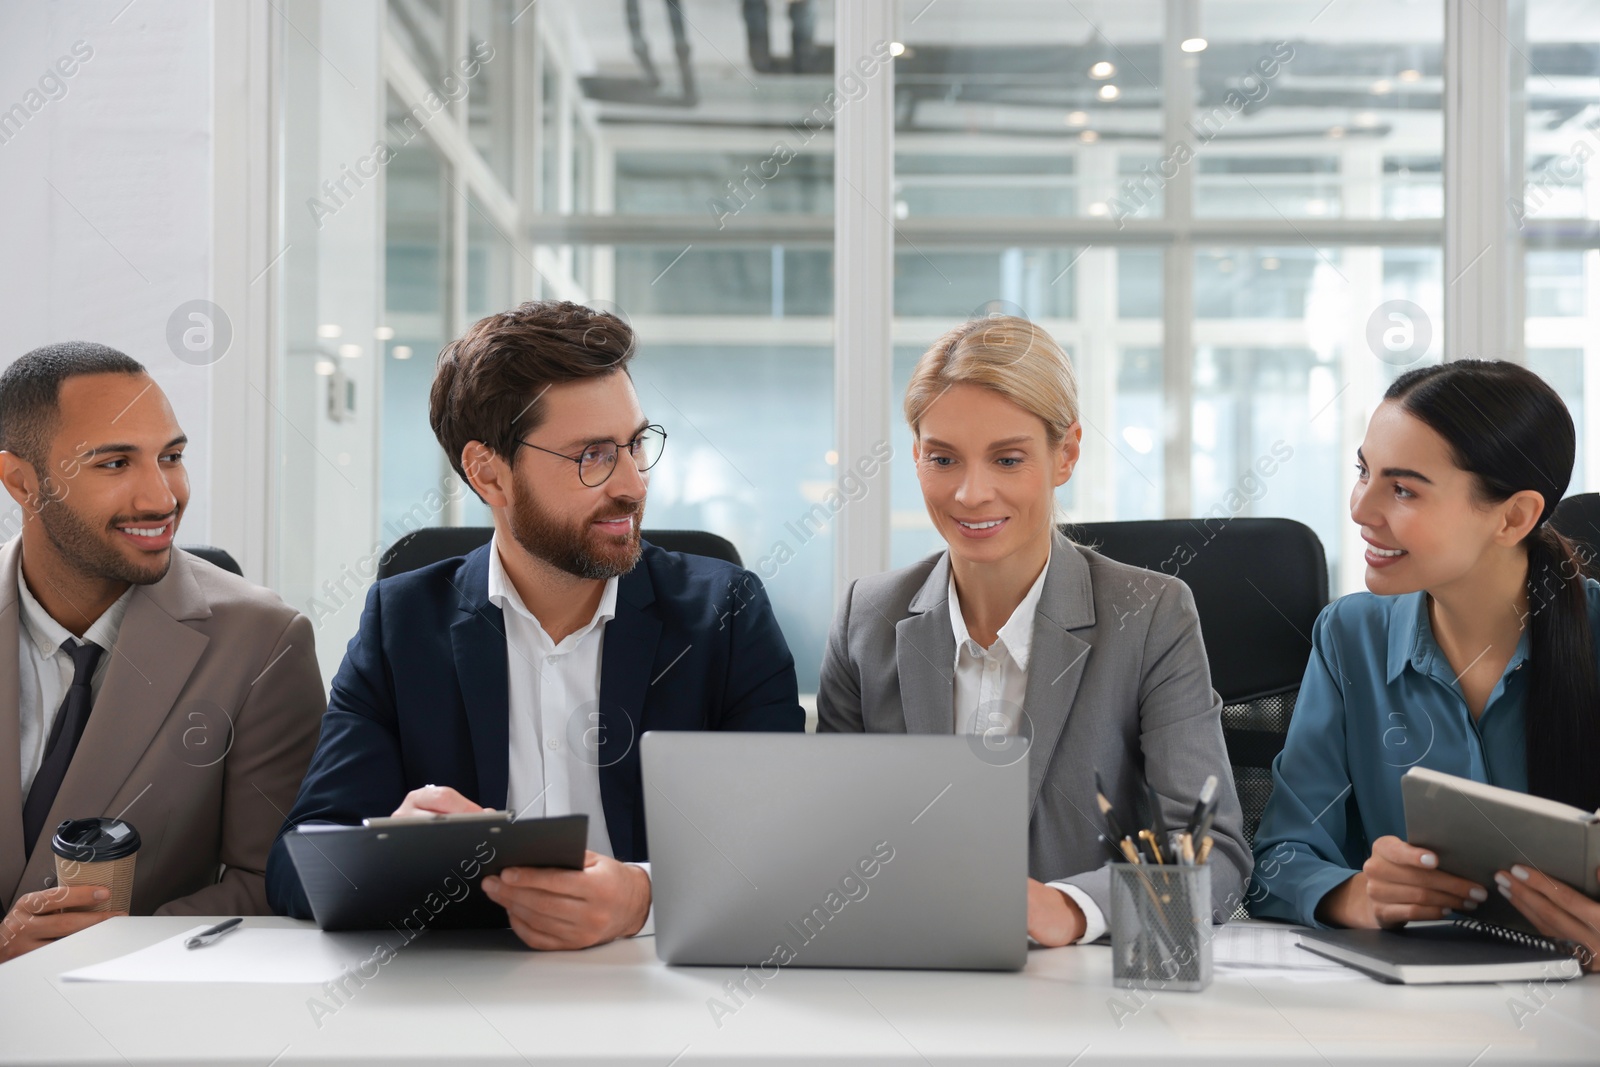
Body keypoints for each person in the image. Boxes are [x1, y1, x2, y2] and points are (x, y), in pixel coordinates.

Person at [265, 301, 804, 950]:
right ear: (489, 471)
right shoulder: (401, 622)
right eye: (594, 456)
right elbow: (296, 863)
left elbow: (787, 853)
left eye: (636, 445)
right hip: (469, 992)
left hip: (663, 992)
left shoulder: (728, 614)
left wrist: (643, 896)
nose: (633, 484)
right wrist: (392, 852)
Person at [817, 315, 1250, 946]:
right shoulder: (868, 617)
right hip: (910, 974)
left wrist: (1071, 909)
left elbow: (1215, 855)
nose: (971, 493)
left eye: (1008, 459)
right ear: (915, 456)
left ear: (1066, 454)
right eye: (943, 458)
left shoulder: (1152, 615)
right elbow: (829, 834)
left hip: (1081, 990)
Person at [1249, 359, 1600, 969]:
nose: (1361, 508)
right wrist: (1356, 894)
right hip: (1410, 1015)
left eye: (1404, 488)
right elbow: (1279, 859)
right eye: (1364, 472)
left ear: (1513, 516)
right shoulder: (1348, 635)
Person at [0, 342, 325, 962]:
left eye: (171, 457)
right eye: (115, 463)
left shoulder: (263, 643)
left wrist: (110, 941)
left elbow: (280, 881)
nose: (161, 497)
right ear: (21, 480)